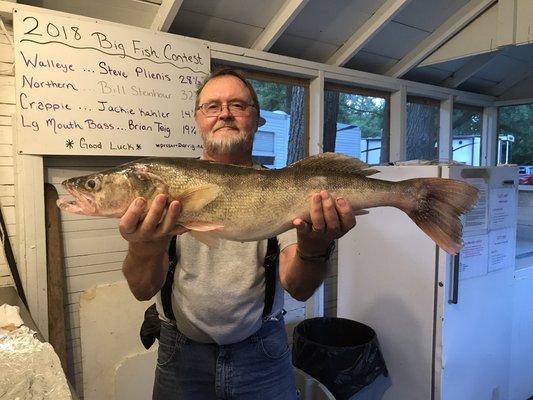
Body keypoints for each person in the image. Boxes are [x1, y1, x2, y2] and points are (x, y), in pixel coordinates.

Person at [119, 68, 357, 400]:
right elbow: (142, 289)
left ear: (258, 119)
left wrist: (315, 246)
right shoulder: (166, 188)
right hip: (180, 356)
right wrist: (144, 247)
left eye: (238, 105)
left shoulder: (287, 190)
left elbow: (300, 288)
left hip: (263, 355)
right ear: (198, 119)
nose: (225, 114)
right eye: (212, 106)